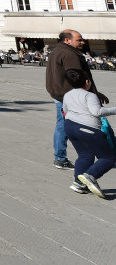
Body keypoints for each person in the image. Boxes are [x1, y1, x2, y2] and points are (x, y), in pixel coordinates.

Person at [46, 29, 109, 170]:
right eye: (79, 40)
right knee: (81, 124)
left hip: (60, 93)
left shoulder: (57, 50)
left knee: (62, 125)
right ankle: (62, 158)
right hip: (71, 95)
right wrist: (92, 94)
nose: (82, 42)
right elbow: (77, 77)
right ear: (67, 40)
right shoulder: (70, 54)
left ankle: (60, 157)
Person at [62, 68, 116, 197]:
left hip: (69, 126)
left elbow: (65, 110)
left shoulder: (67, 94)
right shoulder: (89, 95)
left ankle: (79, 184)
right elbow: (97, 112)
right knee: (108, 157)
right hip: (87, 129)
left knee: (85, 155)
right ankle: (90, 176)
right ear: (87, 82)